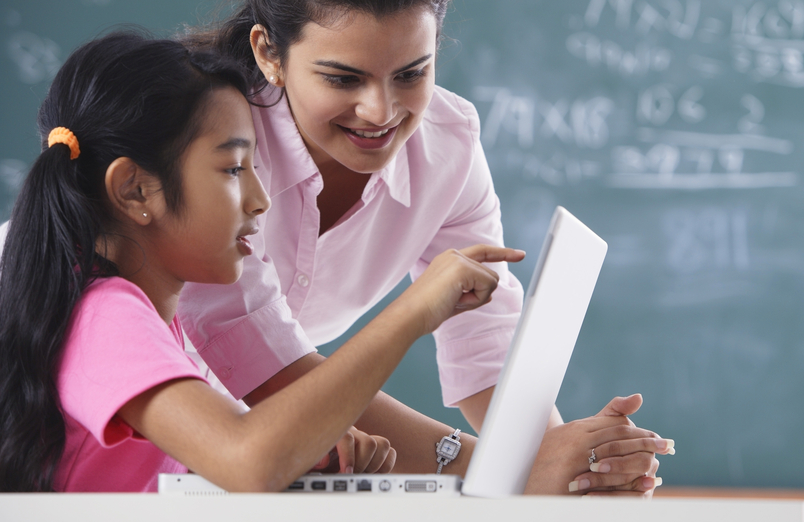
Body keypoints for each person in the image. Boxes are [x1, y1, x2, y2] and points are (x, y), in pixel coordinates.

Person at [181, 0, 673, 494]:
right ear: (269, 53)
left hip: (253, 458)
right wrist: (508, 472)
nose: (380, 111)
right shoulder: (211, 147)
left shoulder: (449, 146)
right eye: (343, 77)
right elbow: (275, 376)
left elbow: (486, 347)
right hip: (103, 437)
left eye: (412, 73)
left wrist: (571, 469)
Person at [0, 31, 544, 492]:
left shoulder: (150, 323)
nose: (260, 198)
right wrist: (413, 314)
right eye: (234, 169)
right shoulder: (104, 316)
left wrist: (304, 446)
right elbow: (246, 457)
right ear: (136, 190)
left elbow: (229, 453)